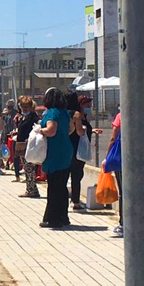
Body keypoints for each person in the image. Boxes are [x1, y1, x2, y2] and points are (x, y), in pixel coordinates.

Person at [34, 87, 73, 228]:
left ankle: (52, 218)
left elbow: (51, 130)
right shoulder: (65, 113)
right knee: (62, 186)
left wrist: (40, 130)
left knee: (54, 186)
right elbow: (71, 129)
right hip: (66, 150)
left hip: (55, 153)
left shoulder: (51, 113)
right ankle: (63, 217)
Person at [65, 92, 90, 211]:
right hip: (76, 147)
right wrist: (84, 130)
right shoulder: (76, 114)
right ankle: (75, 201)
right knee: (76, 175)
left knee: (63, 175)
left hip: (64, 147)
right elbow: (79, 131)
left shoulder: (63, 113)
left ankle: (63, 198)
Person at [14, 96, 40, 196]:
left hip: (29, 146)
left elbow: (36, 128)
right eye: (22, 106)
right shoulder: (21, 116)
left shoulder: (33, 117)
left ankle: (31, 190)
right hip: (22, 146)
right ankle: (32, 189)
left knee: (29, 168)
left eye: (26, 106)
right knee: (27, 168)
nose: (24, 108)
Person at [105, 110, 124, 237]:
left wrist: (107, 158)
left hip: (122, 160)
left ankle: (123, 224)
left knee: (124, 192)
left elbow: (113, 138)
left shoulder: (120, 116)